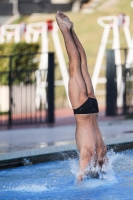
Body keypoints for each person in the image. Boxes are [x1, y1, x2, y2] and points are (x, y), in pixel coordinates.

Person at [55, 11, 107, 181]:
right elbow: (80, 178)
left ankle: (71, 29)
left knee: (82, 64)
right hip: (82, 110)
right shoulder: (89, 156)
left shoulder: (102, 153)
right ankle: (65, 29)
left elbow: (107, 172)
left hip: (93, 107)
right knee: (75, 65)